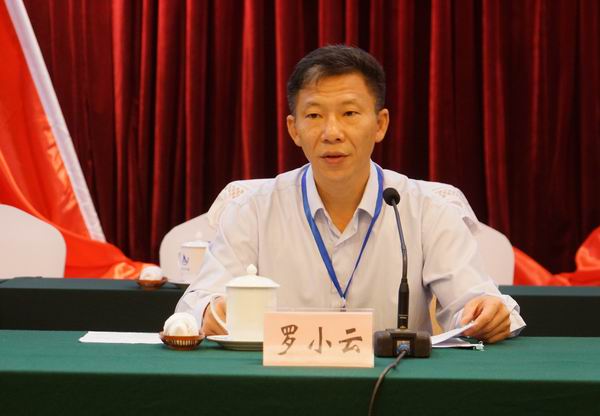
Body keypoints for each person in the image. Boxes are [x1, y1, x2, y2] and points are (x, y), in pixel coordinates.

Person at [176, 45, 525, 343]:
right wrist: (211, 312)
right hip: (280, 383)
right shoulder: (252, 209)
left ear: (380, 124)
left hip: (393, 384)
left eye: (349, 113)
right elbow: (196, 305)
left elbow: (473, 303)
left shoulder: (426, 209)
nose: (332, 132)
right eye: (314, 115)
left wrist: (484, 313)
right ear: (293, 129)